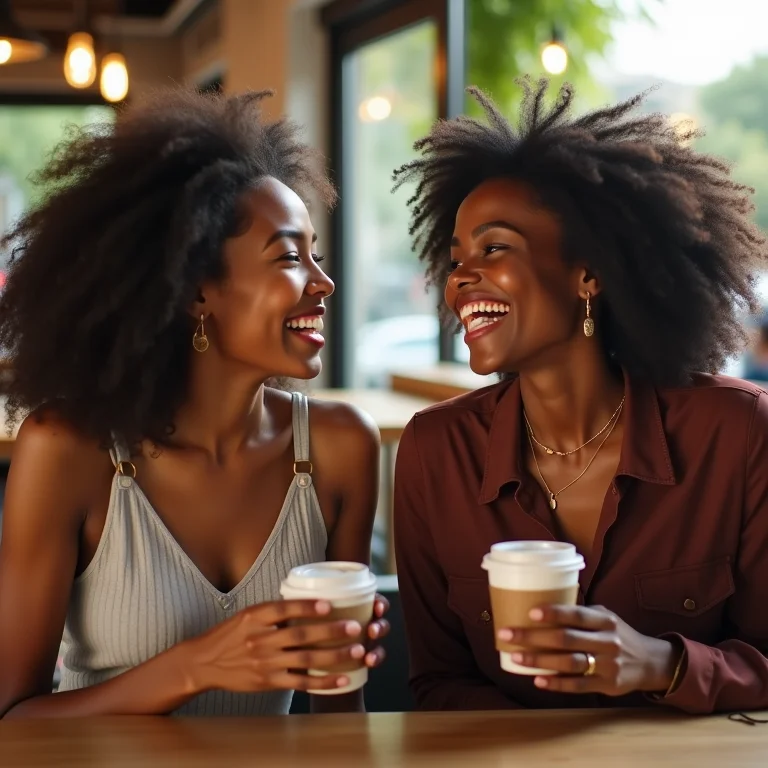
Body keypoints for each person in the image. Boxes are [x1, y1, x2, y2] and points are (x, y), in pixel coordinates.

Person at [0, 88, 387, 719]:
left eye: (315, 254)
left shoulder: (340, 448)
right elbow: (12, 721)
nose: (324, 282)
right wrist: (198, 664)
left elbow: (336, 720)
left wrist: (347, 660)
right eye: (290, 257)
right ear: (195, 292)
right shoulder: (68, 450)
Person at [392, 78, 768, 714]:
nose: (460, 278)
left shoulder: (735, 433)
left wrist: (658, 663)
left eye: (494, 247)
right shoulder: (437, 451)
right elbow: (437, 683)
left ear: (588, 273)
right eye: (456, 258)